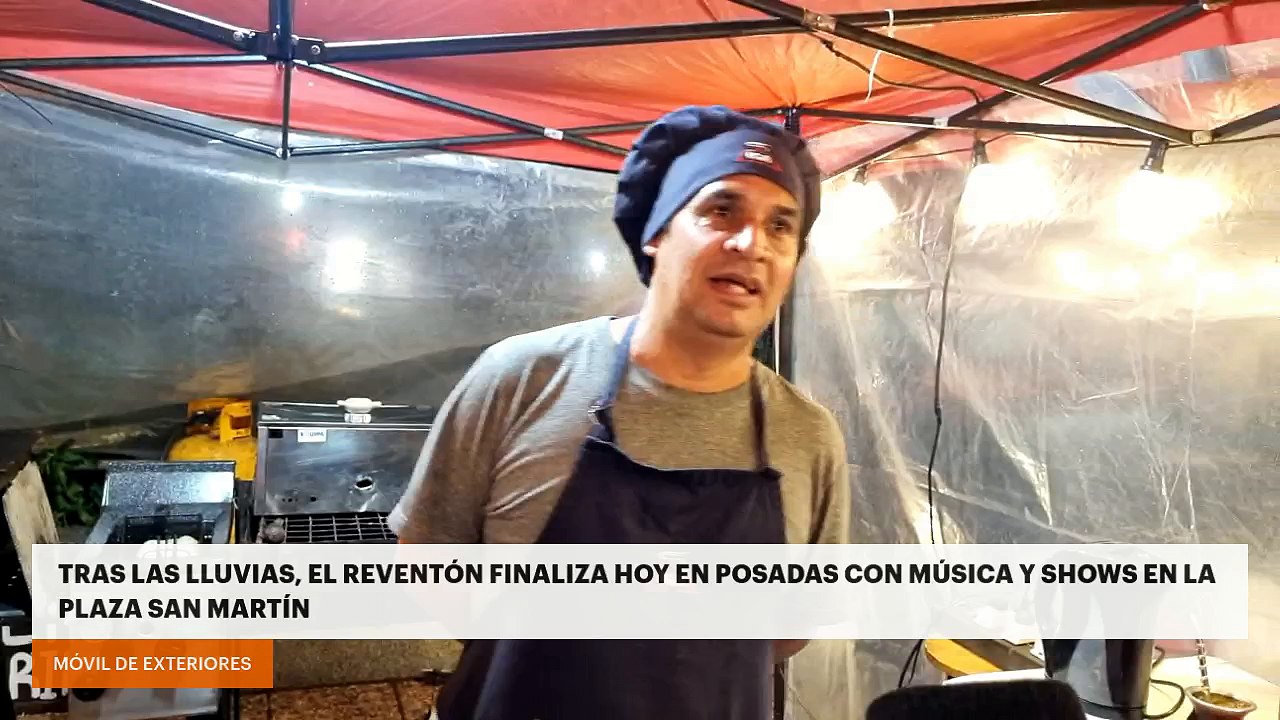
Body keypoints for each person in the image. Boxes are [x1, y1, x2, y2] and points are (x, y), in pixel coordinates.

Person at [390, 105, 851, 720]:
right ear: (656, 232)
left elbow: (792, 628)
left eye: (780, 227)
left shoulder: (809, 437)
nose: (752, 245)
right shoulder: (523, 378)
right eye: (721, 211)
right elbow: (430, 558)